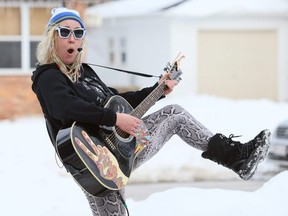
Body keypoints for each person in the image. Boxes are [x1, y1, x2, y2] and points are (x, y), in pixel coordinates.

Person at [31, 7, 271, 216]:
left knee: (174, 114)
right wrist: (115, 119)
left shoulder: (86, 73)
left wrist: (158, 90)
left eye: (78, 32)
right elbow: (66, 109)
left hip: (123, 148)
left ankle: (237, 157)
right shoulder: (48, 76)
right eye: (64, 32)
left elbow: (119, 102)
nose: (72, 38)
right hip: (93, 163)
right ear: (52, 38)